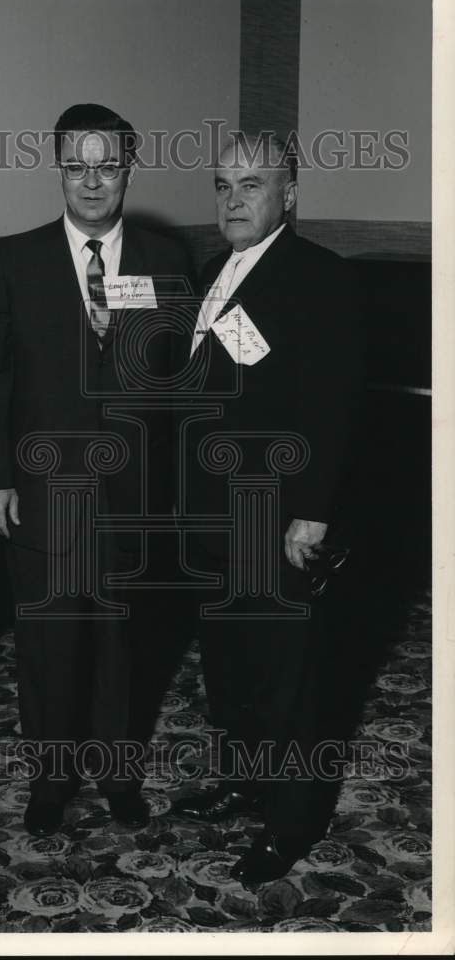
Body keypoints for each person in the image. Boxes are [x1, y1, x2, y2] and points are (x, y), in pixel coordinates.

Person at [0, 104, 190, 837]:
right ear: (59, 170)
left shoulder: (167, 258)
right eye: (77, 165)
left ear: (128, 168)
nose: (93, 181)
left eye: (107, 165)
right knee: (48, 645)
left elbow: (188, 382)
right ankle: (51, 778)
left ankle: (119, 774)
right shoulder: (12, 259)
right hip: (40, 494)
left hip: (134, 499)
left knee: (122, 645)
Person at [171, 132, 361, 884]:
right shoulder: (216, 269)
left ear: (291, 192)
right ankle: (247, 779)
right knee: (232, 665)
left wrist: (311, 513)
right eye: (223, 184)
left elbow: (334, 404)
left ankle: (293, 822)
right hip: (213, 514)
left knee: (288, 676)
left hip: (280, 514)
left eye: (253, 184)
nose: (233, 199)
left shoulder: (322, 277)